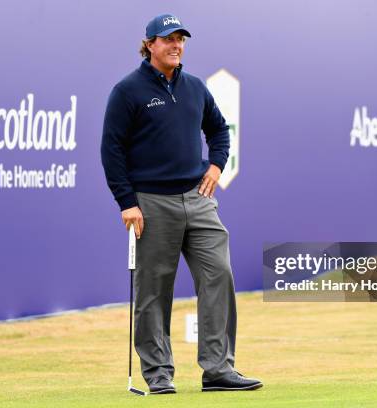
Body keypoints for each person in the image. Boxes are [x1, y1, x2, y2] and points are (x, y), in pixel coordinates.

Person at [101, 13, 262, 394]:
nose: (176, 45)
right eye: (168, 39)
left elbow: (219, 129)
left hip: (199, 197)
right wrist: (127, 201)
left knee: (218, 274)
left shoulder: (194, 87)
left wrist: (216, 165)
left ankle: (218, 369)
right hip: (151, 203)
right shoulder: (128, 91)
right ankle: (158, 373)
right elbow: (111, 150)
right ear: (150, 44)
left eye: (181, 39)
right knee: (154, 289)